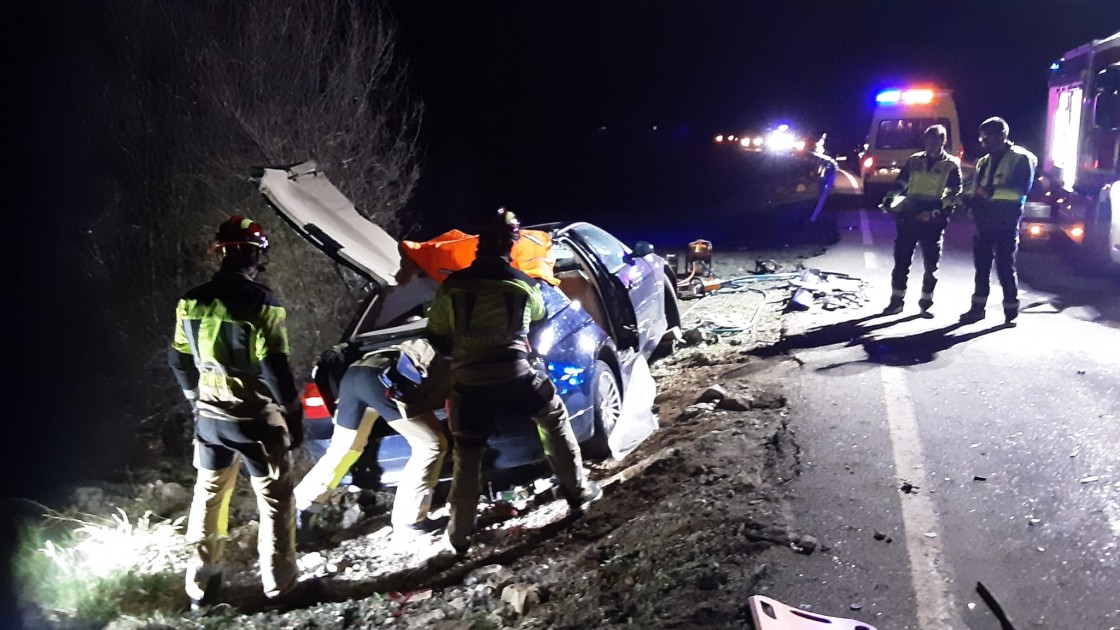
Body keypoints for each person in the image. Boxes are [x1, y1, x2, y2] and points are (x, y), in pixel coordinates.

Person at [425, 207, 602, 554]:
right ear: (512, 245)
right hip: (517, 376)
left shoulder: (454, 287)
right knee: (553, 420)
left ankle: (459, 535)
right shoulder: (523, 285)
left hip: (470, 384)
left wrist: (462, 355)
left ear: (480, 245)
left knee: (467, 455)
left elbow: (437, 334)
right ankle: (578, 493)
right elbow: (538, 320)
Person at [169, 216, 306, 608]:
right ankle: (282, 588)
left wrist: (196, 401)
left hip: (210, 420)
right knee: (276, 500)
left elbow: (178, 360)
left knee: (209, 497)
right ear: (257, 253)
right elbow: (275, 369)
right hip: (254, 420)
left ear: (220, 253)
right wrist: (294, 416)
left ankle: (201, 588)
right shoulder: (264, 304)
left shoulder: (190, 301)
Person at [293, 339, 450, 542]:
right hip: (382, 379)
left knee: (345, 448)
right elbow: (434, 402)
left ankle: (299, 510)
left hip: (353, 376)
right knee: (431, 443)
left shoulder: (403, 345)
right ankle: (410, 520)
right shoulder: (448, 363)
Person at [959, 117, 1037, 324]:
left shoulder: (1021, 158)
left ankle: (1010, 309)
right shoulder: (984, 161)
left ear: (1002, 135)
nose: (984, 141)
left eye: (988, 137)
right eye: (982, 137)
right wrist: (967, 200)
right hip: (984, 221)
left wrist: (990, 193)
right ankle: (977, 309)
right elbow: (977, 187)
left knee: (1004, 265)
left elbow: (1021, 189)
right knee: (982, 267)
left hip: (1006, 220)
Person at [881, 124, 962, 316]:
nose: (931, 144)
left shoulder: (951, 165)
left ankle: (926, 303)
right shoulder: (914, 160)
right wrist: (890, 198)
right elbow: (901, 182)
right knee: (901, 260)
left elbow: (954, 193)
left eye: (935, 141)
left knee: (930, 265)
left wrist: (935, 211)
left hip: (933, 220)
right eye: (928, 140)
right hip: (909, 215)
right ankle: (896, 301)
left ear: (943, 141)